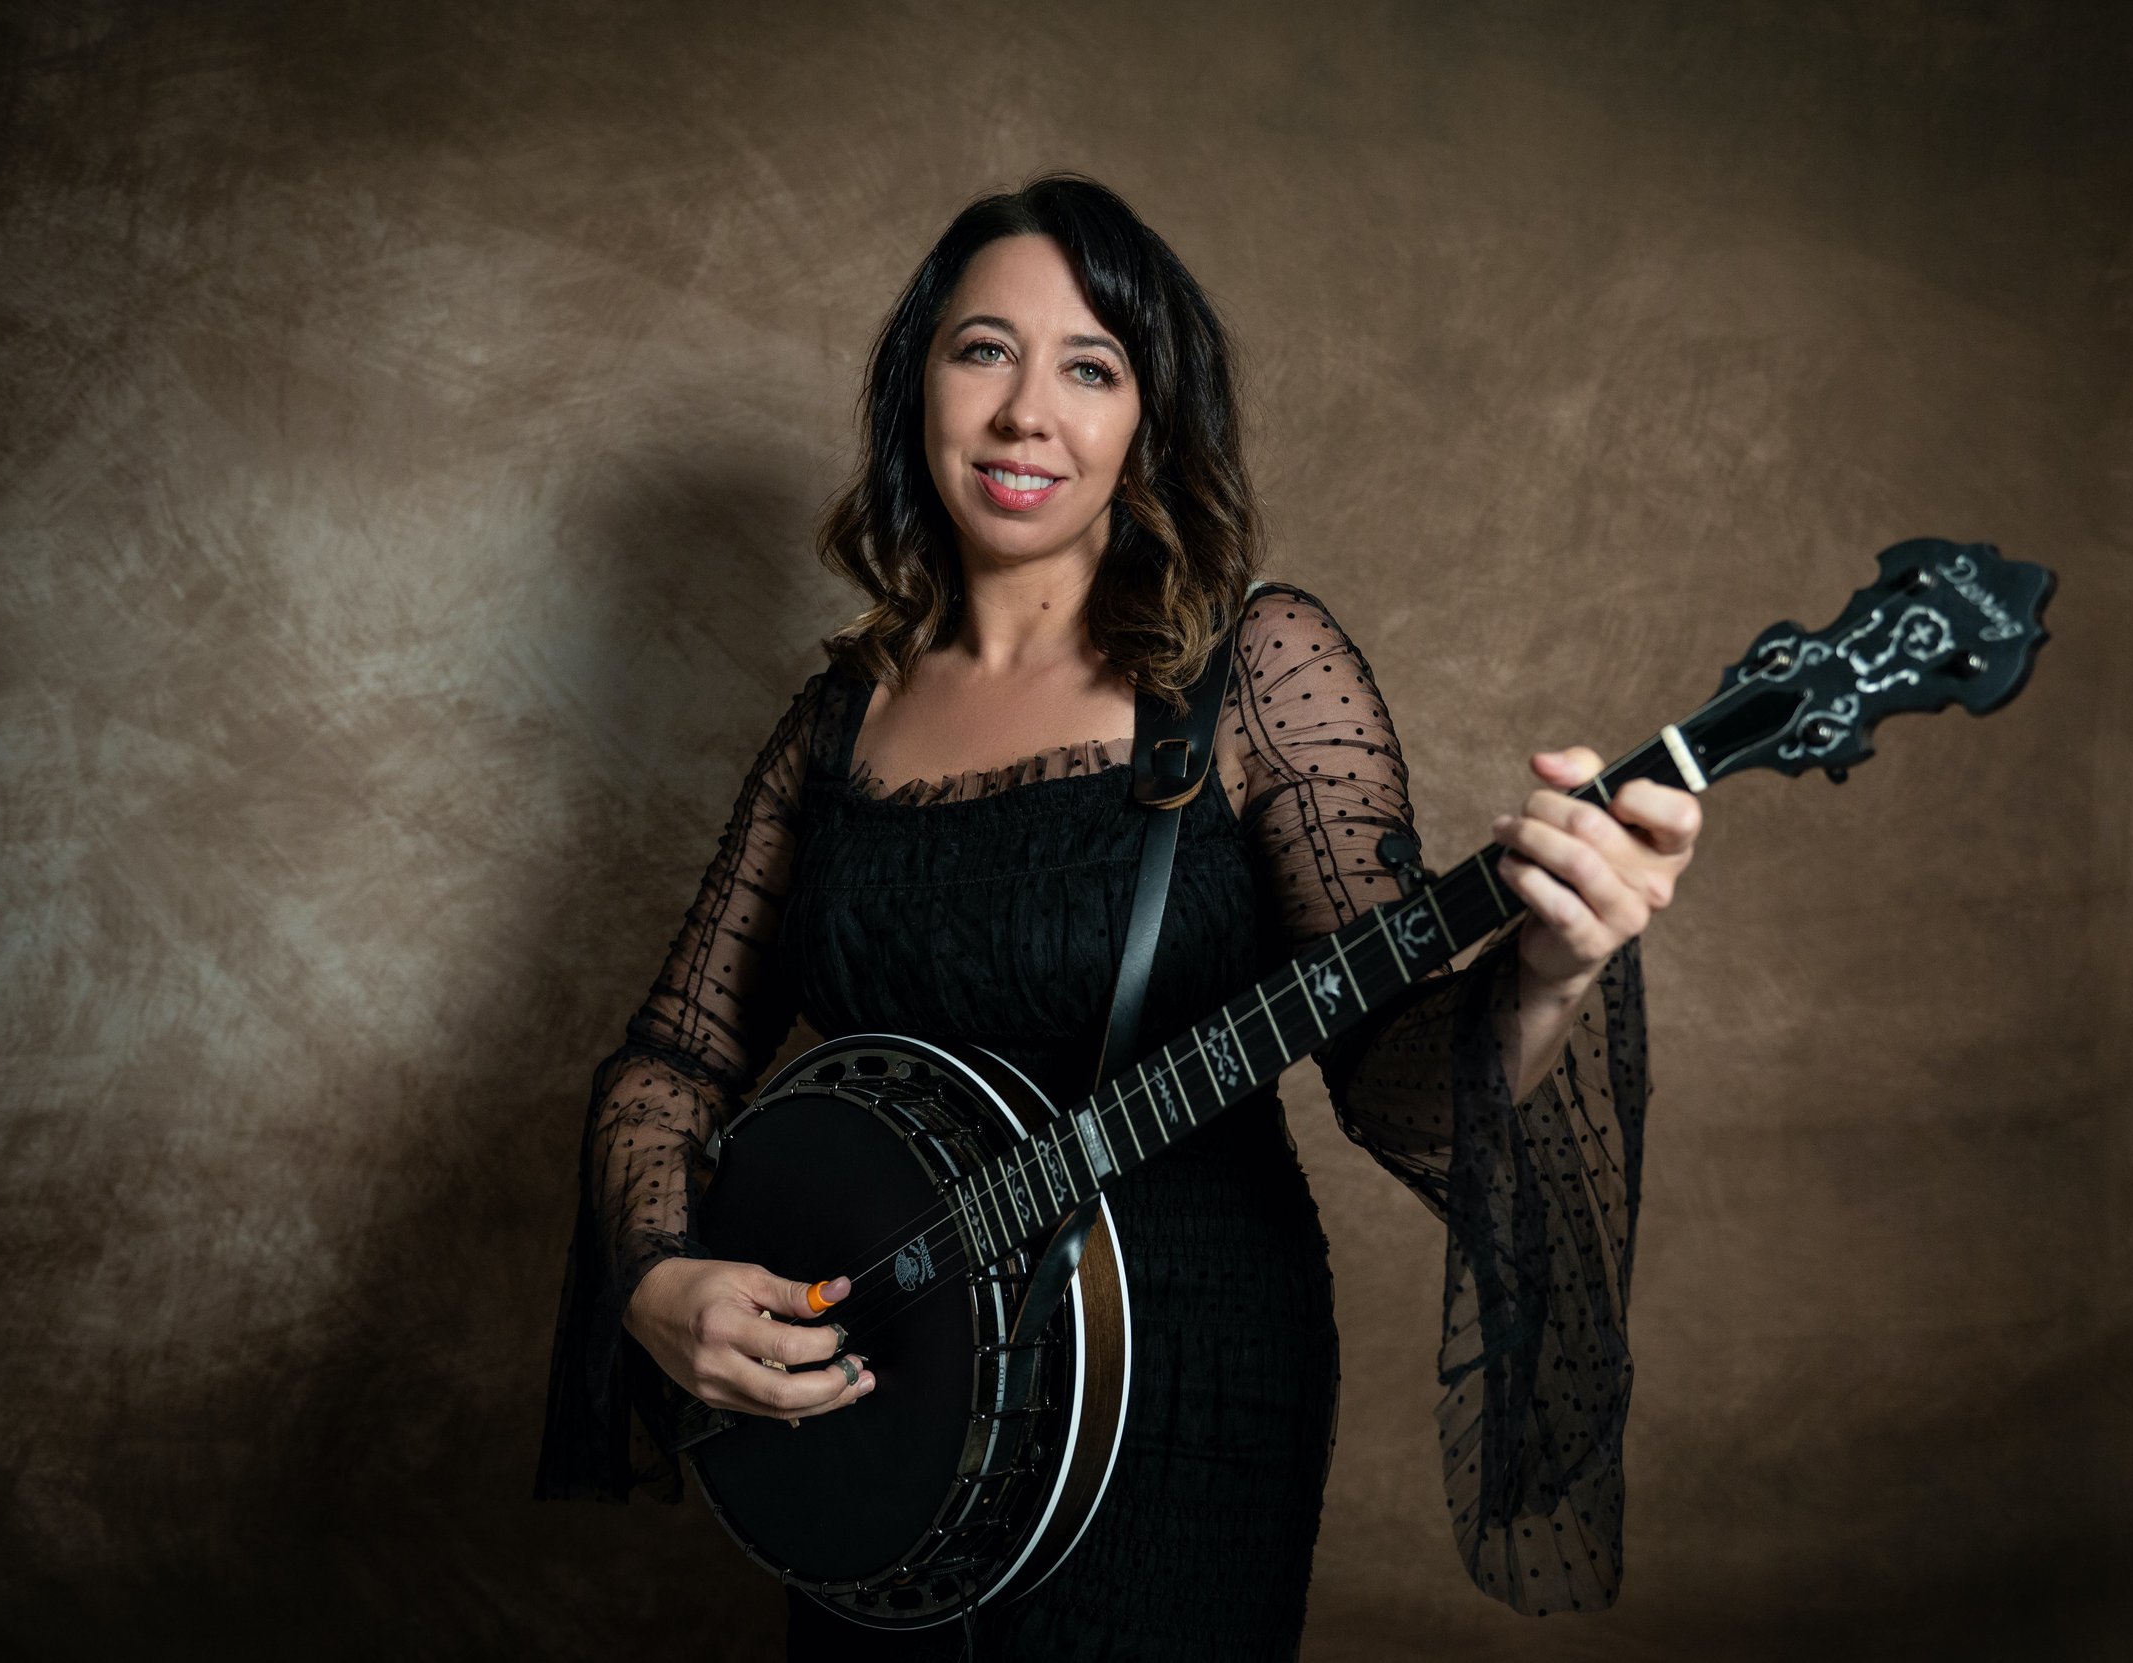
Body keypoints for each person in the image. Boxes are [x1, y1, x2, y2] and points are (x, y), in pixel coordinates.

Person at [535, 174, 1701, 1661]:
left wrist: (1547, 971)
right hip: (887, 1417)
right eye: (984, 351)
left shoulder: (1258, 674)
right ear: (916, 390)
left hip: (1175, 1399)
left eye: (1091, 368)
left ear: (1149, 421)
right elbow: (669, 1061)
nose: (1028, 413)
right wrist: (657, 1280)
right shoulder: (837, 724)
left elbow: (1396, 1080)